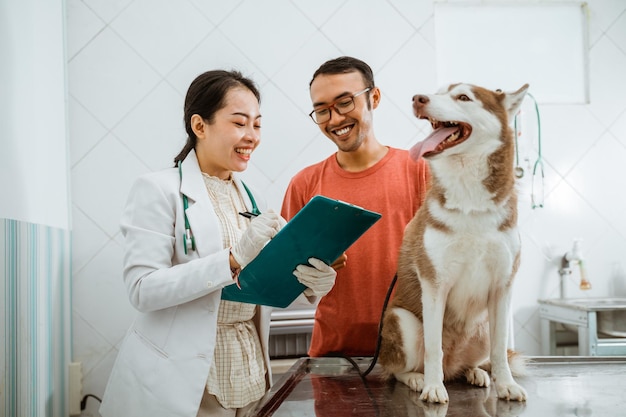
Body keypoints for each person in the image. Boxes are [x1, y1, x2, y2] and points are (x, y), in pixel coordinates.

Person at [99, 70, 337, 417]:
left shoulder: (250, 197)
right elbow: (142, 289)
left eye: (257, 124)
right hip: (189, 377)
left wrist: (310, 284)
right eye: (240, 123)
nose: (252, 136)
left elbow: (258, 285)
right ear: (200, 126)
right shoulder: (157, 190)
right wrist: (232, 257)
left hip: (249, 369)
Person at [281, 56, 430, 358]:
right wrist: (312, 277)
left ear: (373, 97)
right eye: (322, 110)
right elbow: (288, 283)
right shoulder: (304, 185)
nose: (334, 119)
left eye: (345, 102)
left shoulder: (420, 171)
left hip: (416, 354)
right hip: (335, 357)